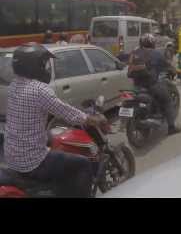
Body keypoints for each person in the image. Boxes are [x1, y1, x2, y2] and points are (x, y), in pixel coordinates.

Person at [3, 43, 107, 197]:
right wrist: (91, 119)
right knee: (83, 164)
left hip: (12, 156)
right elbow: (67, 112)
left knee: (54, 141)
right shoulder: (39, 89)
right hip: (32, 162)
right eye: (43, 64)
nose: (45, 69)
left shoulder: (13, 85)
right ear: (34, 66)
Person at [128, 33, 181, 135]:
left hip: (136, 86)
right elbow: (167, 65)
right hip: (151, 85)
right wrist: (176, 71)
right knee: (167, 100)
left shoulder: (134, 52)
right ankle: (172, 127)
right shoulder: (156, 53)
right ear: (152, 43)